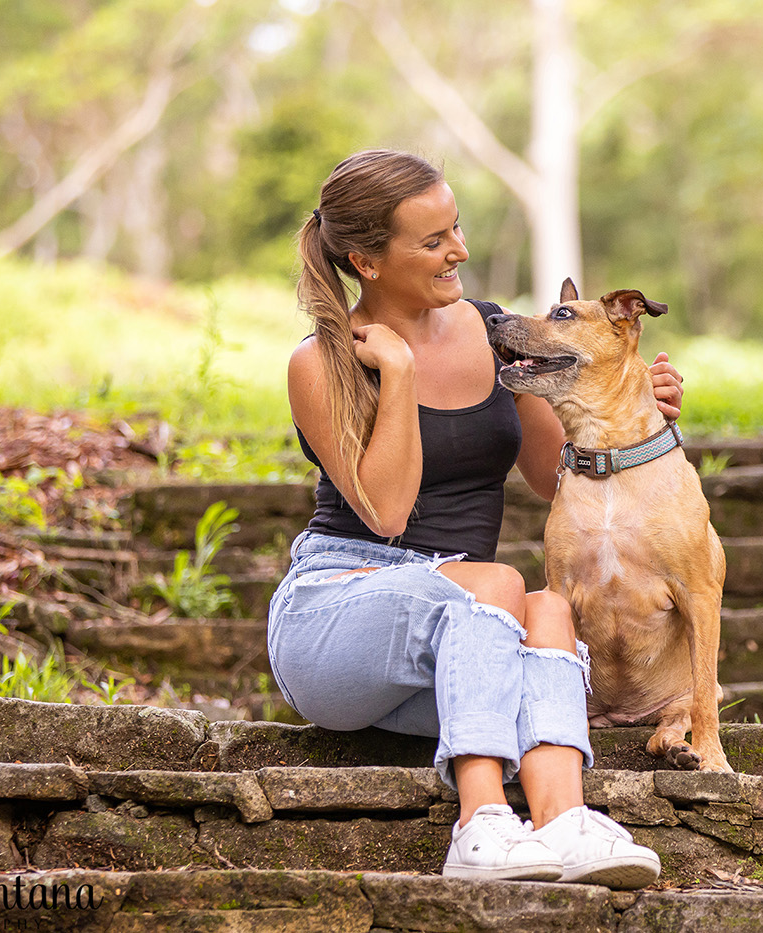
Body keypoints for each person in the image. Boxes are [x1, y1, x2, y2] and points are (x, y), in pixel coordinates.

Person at [266, 149, 685, 889]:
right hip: (337, 614)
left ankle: (562, 822)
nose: (458, 250)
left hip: (466, 633)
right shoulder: (322, 362)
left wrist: (623, 404)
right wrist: (396, 374)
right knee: (496, 584)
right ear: (365, 259)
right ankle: (480, 824)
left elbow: (555, 475)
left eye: (455, 228)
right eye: (432, 241)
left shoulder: (496, 334)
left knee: (550, 608)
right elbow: (387, 512)